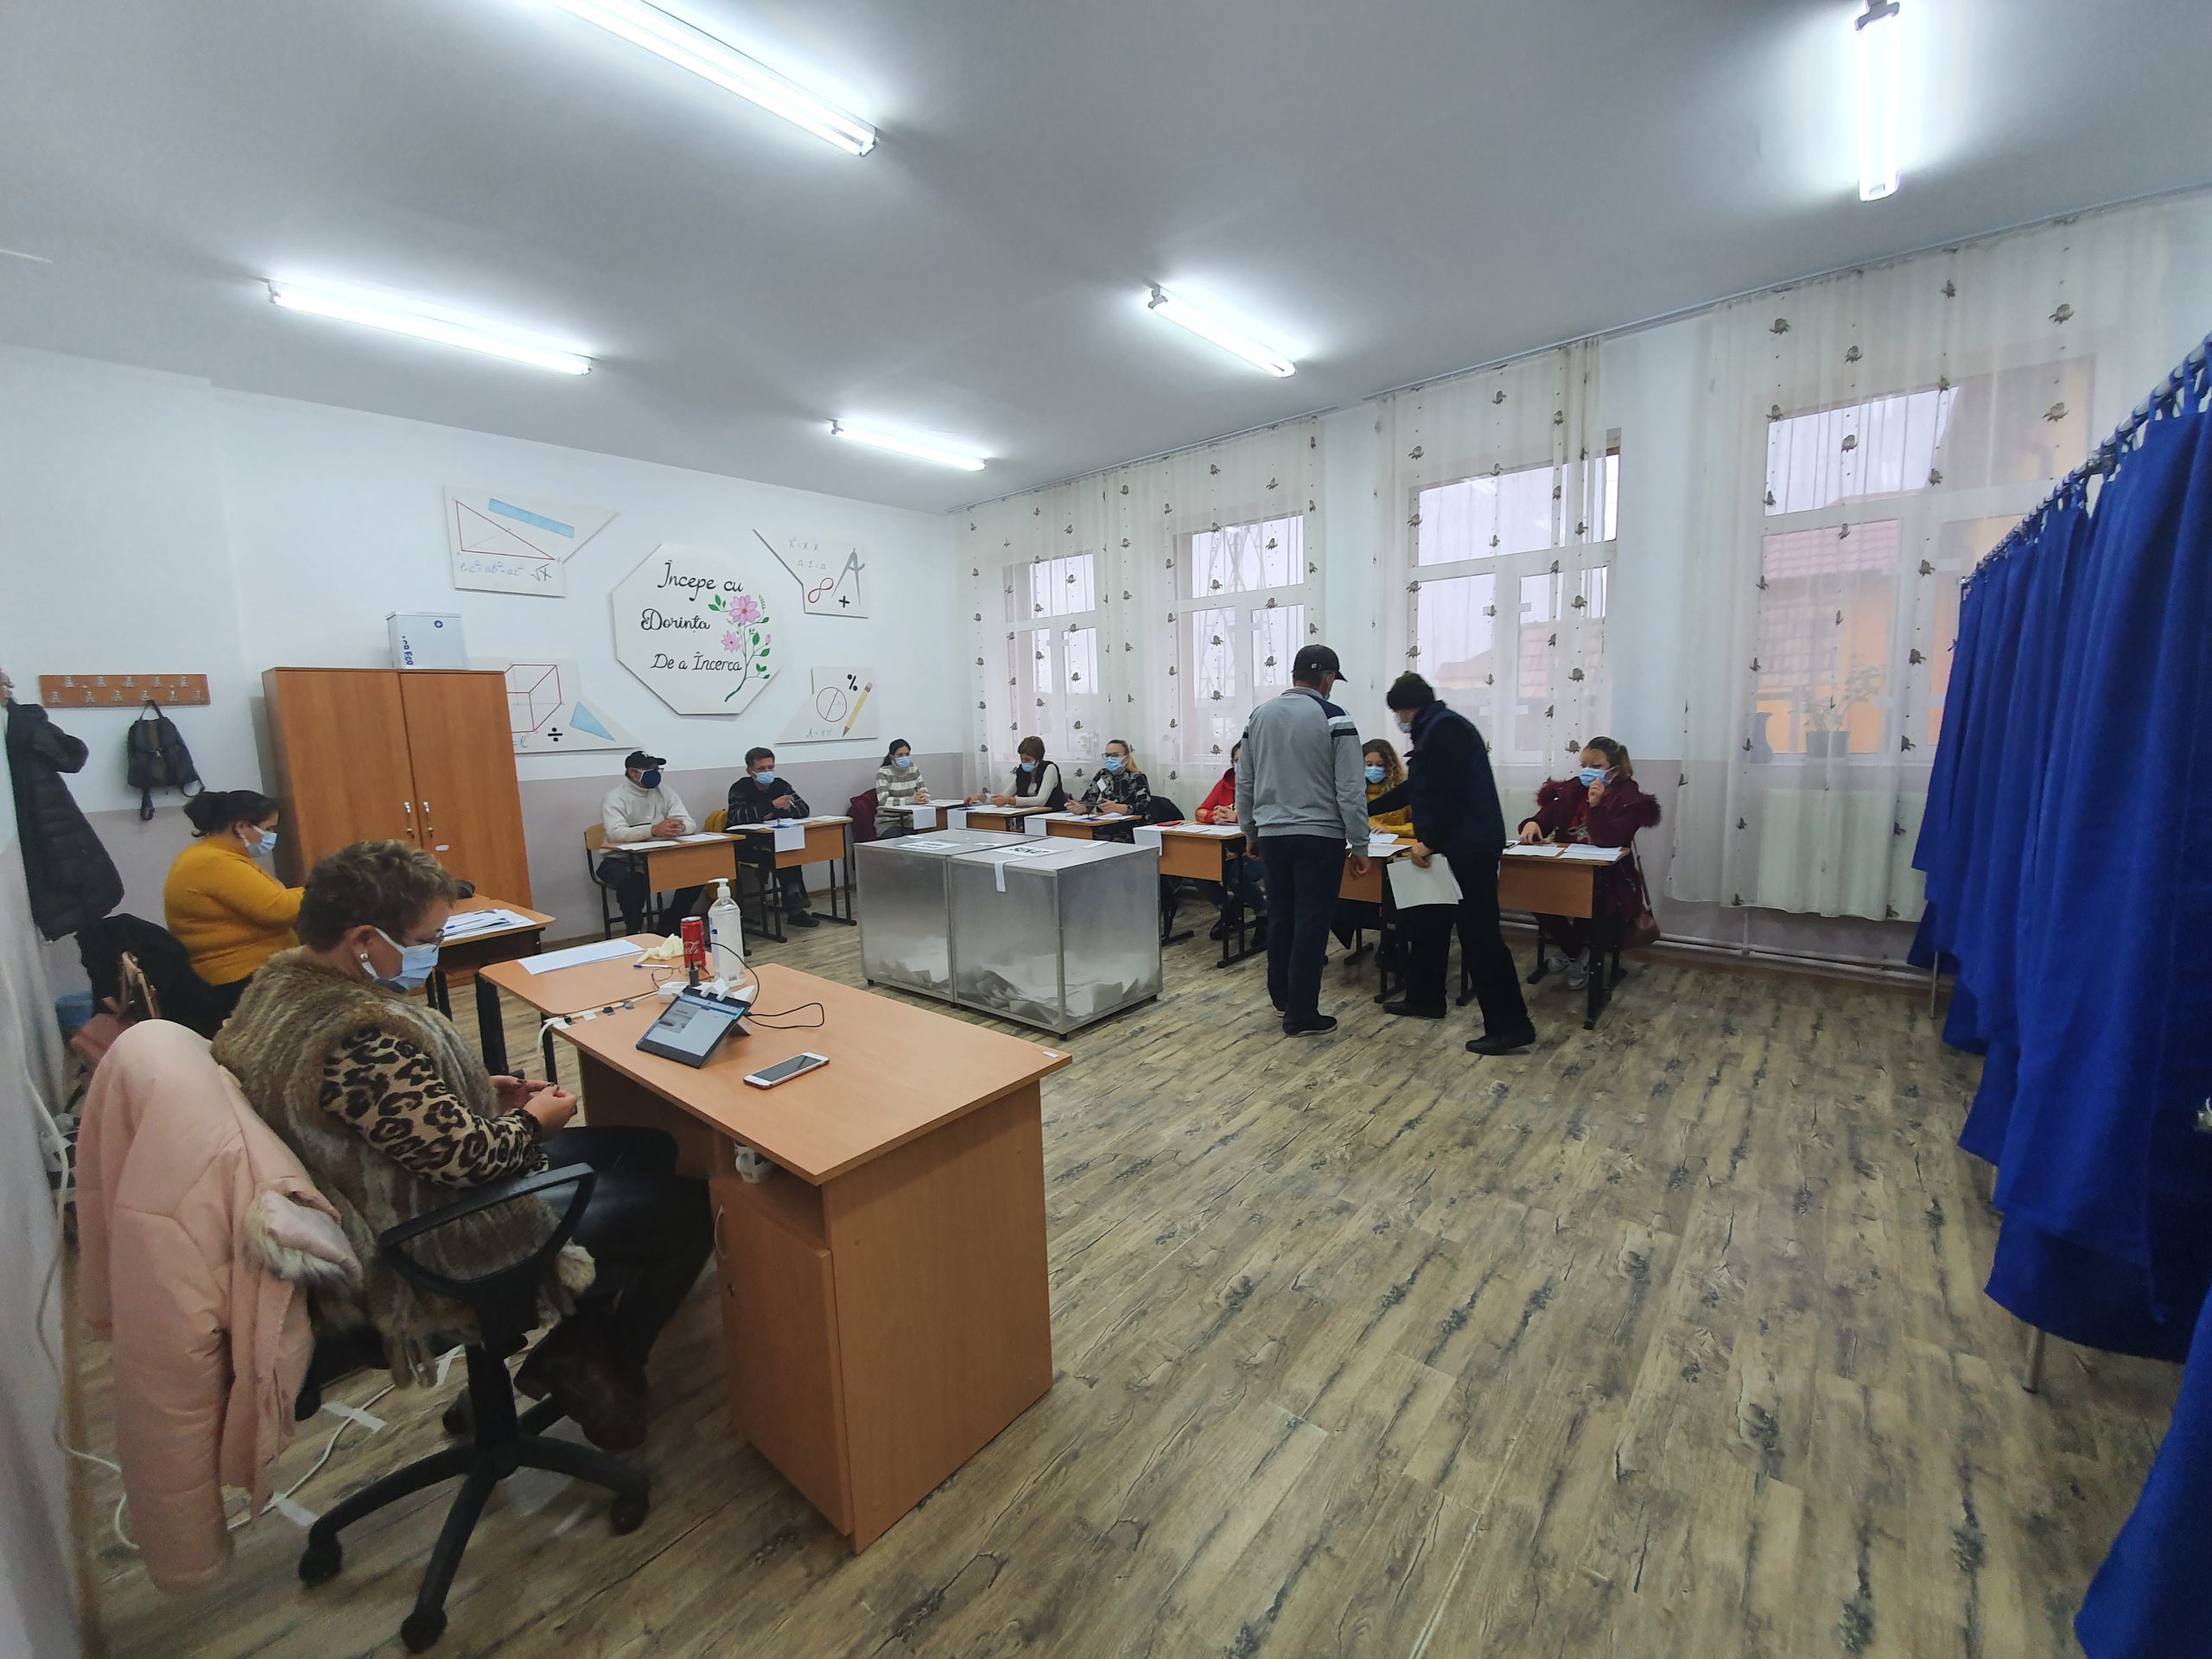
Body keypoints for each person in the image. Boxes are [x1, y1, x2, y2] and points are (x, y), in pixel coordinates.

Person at [213, 841, 712, 1451]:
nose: (435, 952)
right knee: (692, 1210)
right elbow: (472, 1161)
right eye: (427, 939)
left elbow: (380, 1114)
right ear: (363, 940)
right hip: (426, 1241)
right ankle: (597, 1359)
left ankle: (580, 1344)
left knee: (646, 1148)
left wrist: (467, 1095)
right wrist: (534, 1123)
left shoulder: (281, 992)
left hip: (386, 1187)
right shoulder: (353, 1036)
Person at [1371, 673, 1535, 1053]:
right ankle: (1425, 998)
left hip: (1469, 850)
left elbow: (1450, 796)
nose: (1399, 720)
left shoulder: (1445, 731)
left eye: (1398, 713)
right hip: (1455, 846)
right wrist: (1367, 807)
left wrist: (1429, 842)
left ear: (1407, 708)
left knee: (1480, 937)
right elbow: (1418, 788)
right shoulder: (1435, 729)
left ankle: (1511, 1026)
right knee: (1428, 922)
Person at [1235, 645, 1372, 1036]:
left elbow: (1245, 781)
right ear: (1327, 678)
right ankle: (1302, 1013)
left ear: (1295, 676)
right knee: (1312, 921)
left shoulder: (1259, 716)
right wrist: (1360, 844)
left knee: (1282, 916)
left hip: (1273, 835)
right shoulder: (1335, 717)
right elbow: (1350, 789)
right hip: (1319, 836)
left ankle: (1282, 998)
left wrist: (1250, 831)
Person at [1517, 737, 1661, 988]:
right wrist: (1533, 824)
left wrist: (1595, 806)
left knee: (1593, 899)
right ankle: (1577, 952)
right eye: (1584, 765)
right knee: (1535, 894)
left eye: (1596, 766)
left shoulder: (1630, 799)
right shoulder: (1572, 791)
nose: (1587, 771)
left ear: (1615, 770)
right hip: (1567, 869)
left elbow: (1610, 841)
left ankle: (1572, 953)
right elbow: (1545, 818)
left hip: (1611, 877)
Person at [162, 788, 302, 1019]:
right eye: (268, 829)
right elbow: (278, 909)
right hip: (239, 979)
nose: (271, 836)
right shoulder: (213, 862)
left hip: (249, 971)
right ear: (242, 827)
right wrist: (326, 888)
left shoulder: (214, 855)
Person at [598, 751, 701, 934]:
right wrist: (653, 830)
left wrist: (679, 827)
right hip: (619, 860)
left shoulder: (665, 792)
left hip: (658, 856)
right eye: (650, 770)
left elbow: (690, 823)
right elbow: (615, 833)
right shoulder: (615, 797)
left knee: (697, 873)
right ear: (633, 772)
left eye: (657, 769)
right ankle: (635, 931)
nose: (656, 773)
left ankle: (670, 924)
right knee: (632, 883)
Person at [1332, 740, 1412, 955]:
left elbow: (1419, 825)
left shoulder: (1402, 790)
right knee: (1343, 890)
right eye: (1368, 764)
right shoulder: (1354, 792)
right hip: (1364, 852)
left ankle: (1392, 941)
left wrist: (1392, 829)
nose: (1373, 769)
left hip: (1398, 854)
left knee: (1390, 895)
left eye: (1379, 765)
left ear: (1390, 765)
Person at [726, 747, 819, 928]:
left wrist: (789, 807)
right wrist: (771, 806)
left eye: (770, 767)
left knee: (791, 851)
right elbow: (737, 817)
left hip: (778, 841)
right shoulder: (740, 788)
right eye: (761, 769)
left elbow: (804, 810)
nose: (767, 772)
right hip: (746, 844)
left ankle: (795, 903)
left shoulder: (781, 785)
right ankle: (795, 902)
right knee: (779, 855)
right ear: (750, 771)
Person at [1193, 743, 1268, 942]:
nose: (1241, 766)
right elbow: (1200, 811)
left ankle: (1263, 914)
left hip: (1259, 851)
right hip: (1228, 851)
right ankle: (1228, 911)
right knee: (1198, 870)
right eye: (1237, 761)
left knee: (1235, 873)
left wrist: (1237, 817)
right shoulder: (1226, 782)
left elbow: (1271, 819)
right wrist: (1214, 816)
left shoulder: (1267, 783)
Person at [971, 735, 1068, 810]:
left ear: (1038, 759)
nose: (1024, 762)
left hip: (1052, 814)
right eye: (1021, 759)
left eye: (1028, 759)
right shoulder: (1022, 771)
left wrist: (1010, 800)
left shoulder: (1050, 769)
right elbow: (1004, 796)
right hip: (1029, 815)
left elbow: (1041, 800)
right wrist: (982, 797)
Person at [1080, 739, 1152, 817]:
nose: (1110, 759)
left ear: (1126, 758)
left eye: (1115, 755)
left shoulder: (1137, 777)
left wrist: (1117, 808)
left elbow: (1144, 806)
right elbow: (1089, 799)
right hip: (1106, 820)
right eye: (1107, 755)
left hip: (1131, 821)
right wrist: (1082, 807)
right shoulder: (1103, 774)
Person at [874, 739, 932, 811]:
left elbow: (925, 792)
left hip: (912, 814)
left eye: (907, 754)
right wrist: (912, 800)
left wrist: (923, 797)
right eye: (900, 755)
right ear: (892, 757)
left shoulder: (913, 769)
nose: (904, 757)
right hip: (890, 816)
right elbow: (883, 801)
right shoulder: (883, 772)